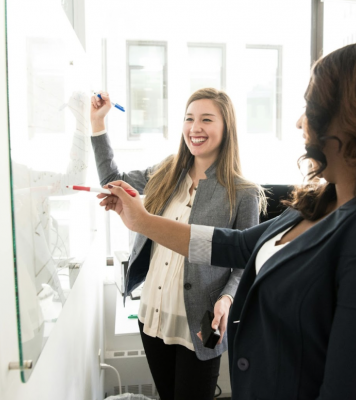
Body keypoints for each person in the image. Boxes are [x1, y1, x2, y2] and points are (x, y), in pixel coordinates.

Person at [97, 42, 356, 399]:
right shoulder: (321, 201)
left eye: (311, 106)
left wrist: (223, 299)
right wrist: (141, 221)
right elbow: (237, 245)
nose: (300, 120)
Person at [90, 88, 265, 400]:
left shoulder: (243, 193)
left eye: (206, 119)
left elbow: (244, 262)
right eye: (189, 118)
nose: (194, 128)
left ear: (227, 128)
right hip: (153, 315)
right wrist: (97, 124)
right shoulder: (166, 172)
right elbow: (112, 181)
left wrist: (226, 299)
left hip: (199, 325)